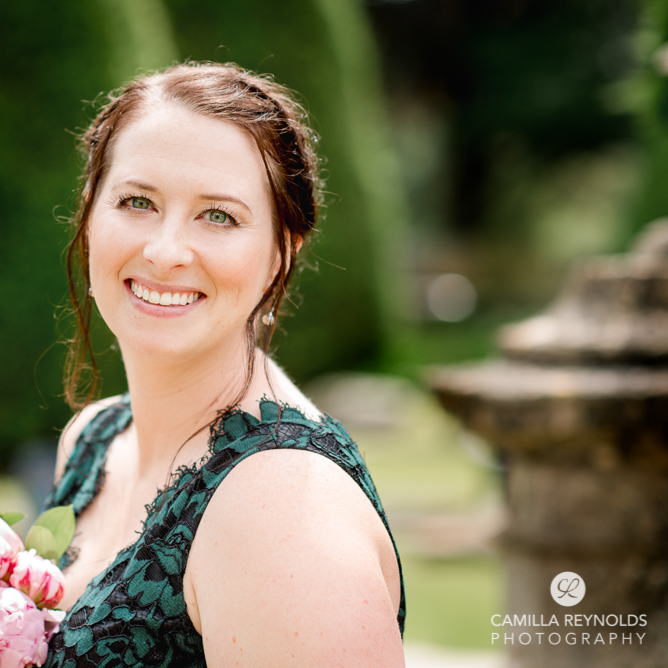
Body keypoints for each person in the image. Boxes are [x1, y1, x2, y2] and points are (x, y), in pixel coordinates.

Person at [43, 62, 405, 667]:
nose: (164, 251)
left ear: (279, 256)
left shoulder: (285, 509)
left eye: (219, 216)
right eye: (136, 201)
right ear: (88, 215)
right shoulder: (94, 439)